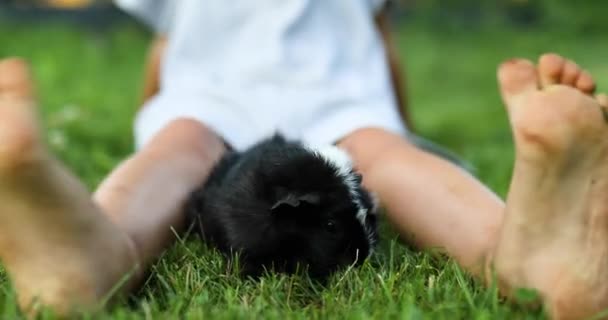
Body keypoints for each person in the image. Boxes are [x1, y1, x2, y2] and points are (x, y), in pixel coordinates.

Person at [0, 1, 607, 319]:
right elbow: (382, 41)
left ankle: (95, 250)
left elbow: (165, 46)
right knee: (391, 160)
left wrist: (152, 120)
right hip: (340, 91)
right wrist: (403, 128)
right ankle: (521, 253)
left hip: (208, 88)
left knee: (174, 150)